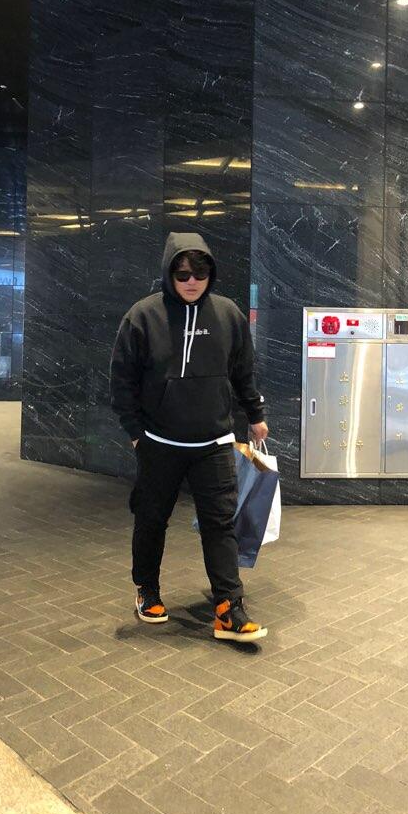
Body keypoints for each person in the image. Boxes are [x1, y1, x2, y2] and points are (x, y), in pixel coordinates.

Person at [109, 231, 269, 643]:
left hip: (213, 443)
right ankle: (147, 590)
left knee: (220, 524)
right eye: (182, 274)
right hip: (159, 443)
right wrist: (136, 435)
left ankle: (228, 608)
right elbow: (122, 381)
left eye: (200, 273)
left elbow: (243, 371)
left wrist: (255, 415)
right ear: (169, 273)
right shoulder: (142, 317)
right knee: (151, 519)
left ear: (211, 273)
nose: (192, 281)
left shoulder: (228, 315)